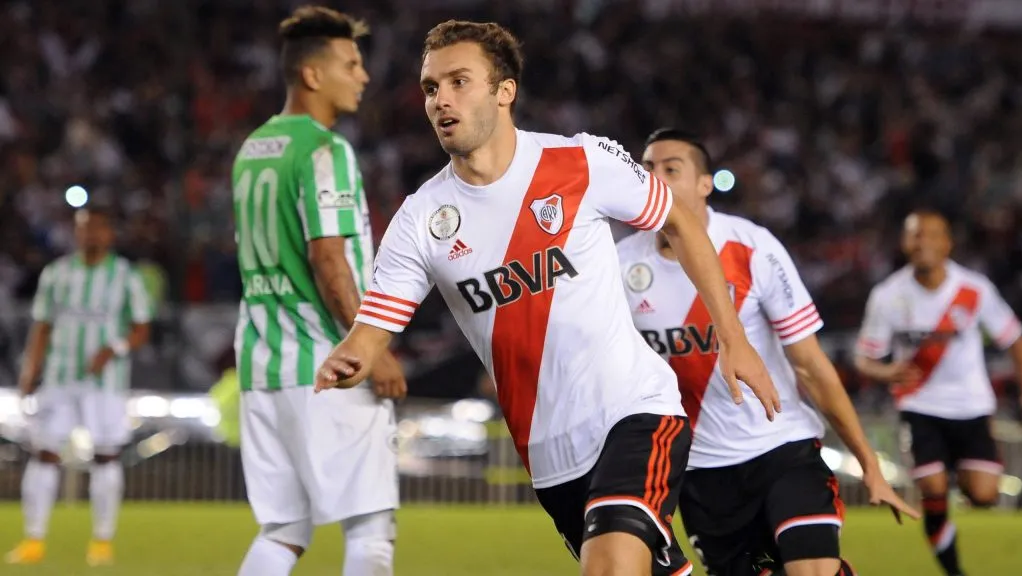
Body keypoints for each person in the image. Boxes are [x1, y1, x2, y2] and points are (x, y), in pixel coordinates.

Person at [315, 20, 780, 576]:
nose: (441, 99)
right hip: (549, 454)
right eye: (430, 87)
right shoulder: (421, 218)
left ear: (503, 91)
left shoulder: (580, 162)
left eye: (459, 81)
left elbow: (680, 220)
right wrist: (352, 356)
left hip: (633, 412)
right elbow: (375, 324)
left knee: (608, 568)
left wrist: (733, 337)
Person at [616, 129, 919, 576]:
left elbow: (812, 366)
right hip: (700, 468)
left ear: (704, 184)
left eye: (670, 169)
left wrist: (869, 462)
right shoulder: (620, 262)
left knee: (809, 569)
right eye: (646, 168)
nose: (654, 178)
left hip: (781, 447)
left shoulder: (752, 247)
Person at [230, 7, 406, 576]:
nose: (363, 76)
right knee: (371, 528)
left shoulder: (252, 149)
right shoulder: (326, 151)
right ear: (312, 75)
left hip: (261, 363)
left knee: (283, 531)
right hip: (326, 363)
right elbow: (328, 258)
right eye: (350, 64)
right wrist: (368, 348)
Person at [854, 209, 1022, 576]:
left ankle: (959, 491)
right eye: (915, 235)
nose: (923, 242)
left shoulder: (975, 290)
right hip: (920, 406)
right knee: (932, 487)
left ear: (948, 243)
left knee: (983, 494)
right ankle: (954, 570)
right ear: (904, 243)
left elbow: (1014, 337)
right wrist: (888, 371)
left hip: (972, 406)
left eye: (932, 234)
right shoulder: (887, 296)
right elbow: (865, 358)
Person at [5, 206, 152, 567]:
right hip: (59, 377)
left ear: (110, 234)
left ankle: (102, 541)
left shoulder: (125, 275)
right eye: (84, 229)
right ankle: (33, 539)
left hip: (106, 383)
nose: (90, 235)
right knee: (44, 454)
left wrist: (113, 349)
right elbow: (42, 327)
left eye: (98, 228)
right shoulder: (57, 273)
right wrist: (29, 373)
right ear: (76, 232)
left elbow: (141, 328)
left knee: (106, 456)